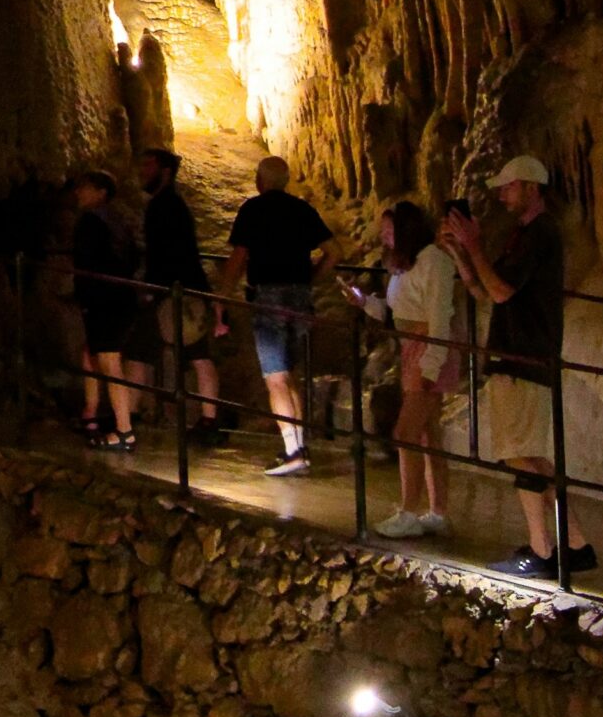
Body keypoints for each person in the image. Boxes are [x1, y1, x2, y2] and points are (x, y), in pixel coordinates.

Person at [444, 156, 595, 581]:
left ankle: (541, 549)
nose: (502, 194)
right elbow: (485, 291)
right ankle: (576, 545)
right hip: (519, 356)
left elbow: (503, 290)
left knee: (519, 455)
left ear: (531, 186)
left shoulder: (540, 234)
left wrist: (473, 244)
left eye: (509, 187)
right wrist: (460, 252)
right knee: (529, 456)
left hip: (523, 358)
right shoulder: (525, 235)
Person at [342, 200, 460, 536]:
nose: (385, 237)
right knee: (427, 434)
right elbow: (397, 313)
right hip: (412, 348)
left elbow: (438, 319)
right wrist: (365, 302)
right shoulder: (405, 266)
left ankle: (409, 512)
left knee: (406, 432)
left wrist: (431, 364)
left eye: (390, 232)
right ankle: (437, 512)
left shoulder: (434, 262)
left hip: (428, 352)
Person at [219, 155, 338, 477]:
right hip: (300, 299)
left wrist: (222, 297)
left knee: (275, 377)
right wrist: (310, 279)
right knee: (290, 375)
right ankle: (299, 447)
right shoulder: (302, 209)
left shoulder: (253, 210)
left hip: (269, 297)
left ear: (260, 180)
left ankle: (292, 452)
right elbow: (334, 251)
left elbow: (239, 256)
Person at [130, 147, 222, 444]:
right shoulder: (173, 204)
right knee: (198, 355)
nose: (142, 172)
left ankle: (127, 419)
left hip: (171, 292)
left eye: (148, 165)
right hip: (187, 289)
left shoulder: (163, 206)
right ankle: (209, 419)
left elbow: (165, 254)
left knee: (138, 352)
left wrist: (151, 289)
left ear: (164, 170)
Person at [66, 171, 143, 451]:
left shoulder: (91, 221)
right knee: (92, 353)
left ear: (101, 192)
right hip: (120, 297)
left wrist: (83, 295)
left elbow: (86, 264)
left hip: (104, 300)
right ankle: (92, 412)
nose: (79, 193)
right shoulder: (117, 220)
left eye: (84, 188)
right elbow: (132, 257)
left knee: (110, 364)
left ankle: (124, 431)